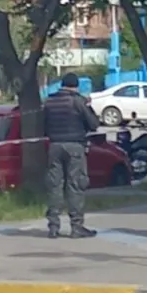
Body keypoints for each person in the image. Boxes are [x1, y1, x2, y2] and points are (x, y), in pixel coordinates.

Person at [42, 72, 100, 239]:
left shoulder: (49, 101)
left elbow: (43, 125)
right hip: (75, 146)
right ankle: (76, 226)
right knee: (75, 185)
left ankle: (53, 226)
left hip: (54, 146)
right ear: (76, 86)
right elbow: (94, 124)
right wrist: (89, 107)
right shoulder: (78, 101)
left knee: (55, 185)